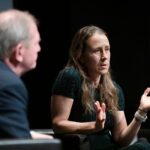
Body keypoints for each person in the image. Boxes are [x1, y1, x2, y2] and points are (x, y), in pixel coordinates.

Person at [51, 25, 150, 149]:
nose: (104, 56)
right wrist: (94, 126)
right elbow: (58, 124)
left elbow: (121, 139)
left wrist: (141, 112)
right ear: (80, 55)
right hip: (85, 147)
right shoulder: (70, 77)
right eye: (97, 51)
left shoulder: (114, 89)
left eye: (107, 49)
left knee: (144, 145)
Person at [0, 9, 53, 139]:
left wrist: (31, 136)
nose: (39, 49)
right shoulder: (9, 86)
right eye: (36, 43)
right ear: (19, 52)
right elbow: (17, 145)